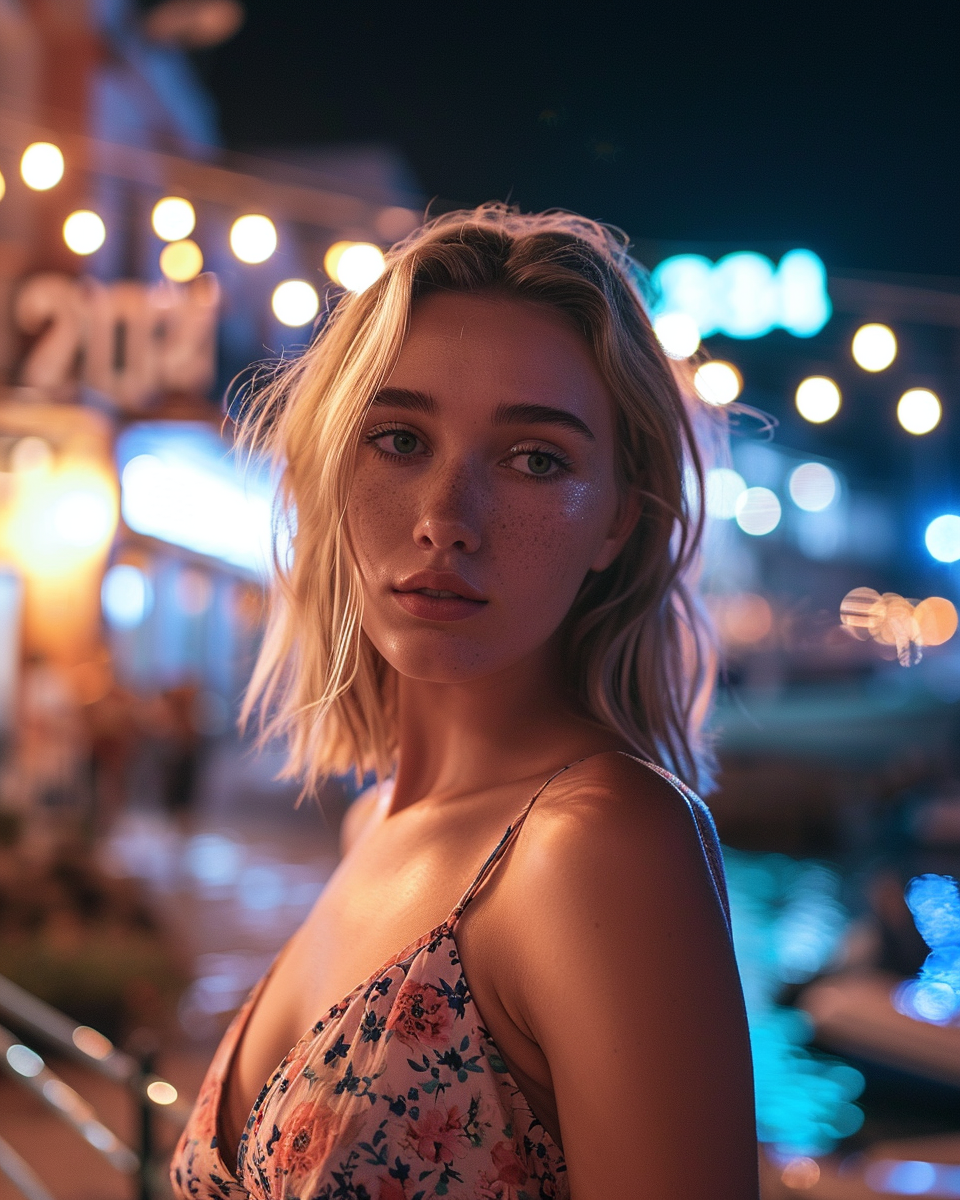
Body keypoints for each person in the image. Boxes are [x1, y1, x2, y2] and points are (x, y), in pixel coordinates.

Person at [171, 205, 758, 1199]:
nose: (449, 519)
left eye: (536, 459)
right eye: (399, 439)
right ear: (327, 468)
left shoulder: (599, 843)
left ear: (617, 518)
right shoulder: (373, 822)